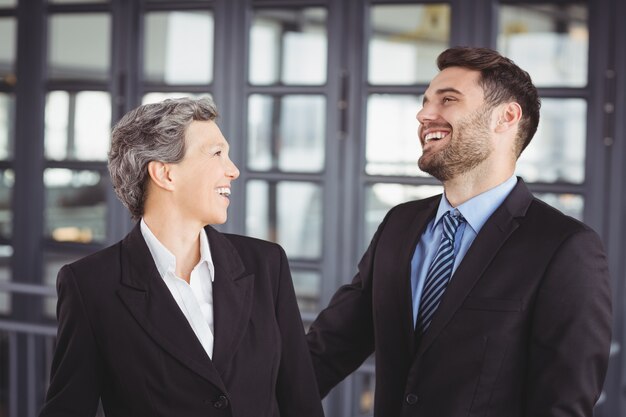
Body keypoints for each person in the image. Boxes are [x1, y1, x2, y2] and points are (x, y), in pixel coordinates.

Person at [307, 46, 612, 416]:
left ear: (506, 117)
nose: (423, 114)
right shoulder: (398, 225)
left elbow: (562, 404)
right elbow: (329, 348)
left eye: (447, 99)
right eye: (425, 102)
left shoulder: (564, 248)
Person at [39, 97, 325, 417]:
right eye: (217, 154)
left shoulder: (266, 264)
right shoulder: (91, 285)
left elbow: (301, 399)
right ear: (165, 174)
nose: (233, 170)